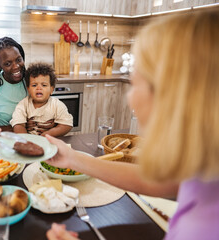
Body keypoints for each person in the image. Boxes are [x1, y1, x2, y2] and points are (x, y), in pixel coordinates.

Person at [46, 9, 219, 240]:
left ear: (178, 99)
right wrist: (73, 159)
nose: (130, 98)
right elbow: (160, 181)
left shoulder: (202, 229)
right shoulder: (205, 172)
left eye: (137, 82)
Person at [10, 62, 73, 137]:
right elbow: (18, 125)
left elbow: (67, 125)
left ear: (51, 89)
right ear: (28, 89)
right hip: (30, 142)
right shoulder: (23, 104)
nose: (39, 88)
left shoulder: (57, 105)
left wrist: (48, 134)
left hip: (50, 141)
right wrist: (26, 141)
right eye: (34, 85)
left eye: (44, 85)